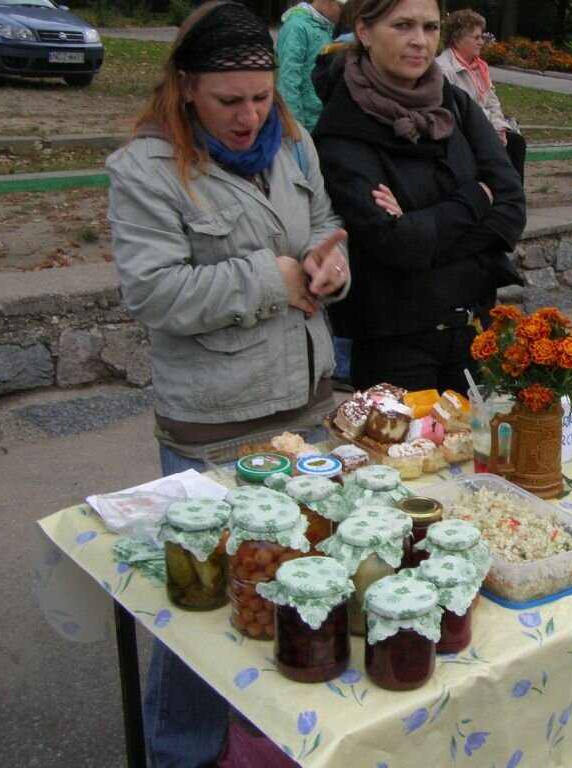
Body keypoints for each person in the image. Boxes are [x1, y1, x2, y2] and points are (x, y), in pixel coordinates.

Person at [106, 2, 349, 764]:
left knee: (292, 583)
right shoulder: (145, 170)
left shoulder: (295, 143)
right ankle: (180, 752)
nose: (249, 117)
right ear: (185, 87)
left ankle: (271, 740)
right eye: (228, 100)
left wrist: (331, 264)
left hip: (306, 413)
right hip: (216, 428)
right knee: (206, 608)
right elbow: (154, 293)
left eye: (261, 97)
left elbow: (323, 223)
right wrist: (274, 279)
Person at [312, 0, 526, 394]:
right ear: (364, 31)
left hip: (473, 335)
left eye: (430, 27)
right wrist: (477, 199)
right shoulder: (343, 129)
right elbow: (392, 242)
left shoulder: (454, 103)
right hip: (395, 348)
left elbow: (511, 208)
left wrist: (420, 231)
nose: (420, 41)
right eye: (403, 26)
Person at [437, 8, 527, 180]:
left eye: (481, 37)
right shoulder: (445, 69)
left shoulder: (479, 67)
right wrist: (488, 132)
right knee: (510, 147)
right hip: (465, 135)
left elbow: (492, 101)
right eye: (476, 37)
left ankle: (511, 193)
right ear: (458, 38)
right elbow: (453, 115)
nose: (481, 42)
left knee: (515, 143)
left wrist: (499, 128)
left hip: (484, 128)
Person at [276, 0, 349, 133]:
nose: (344, 13)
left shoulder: (328, 29)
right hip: (306, 126)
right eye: (340, 7)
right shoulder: (296, 27)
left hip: (323, 122)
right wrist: (295, 128)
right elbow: (288, 81)